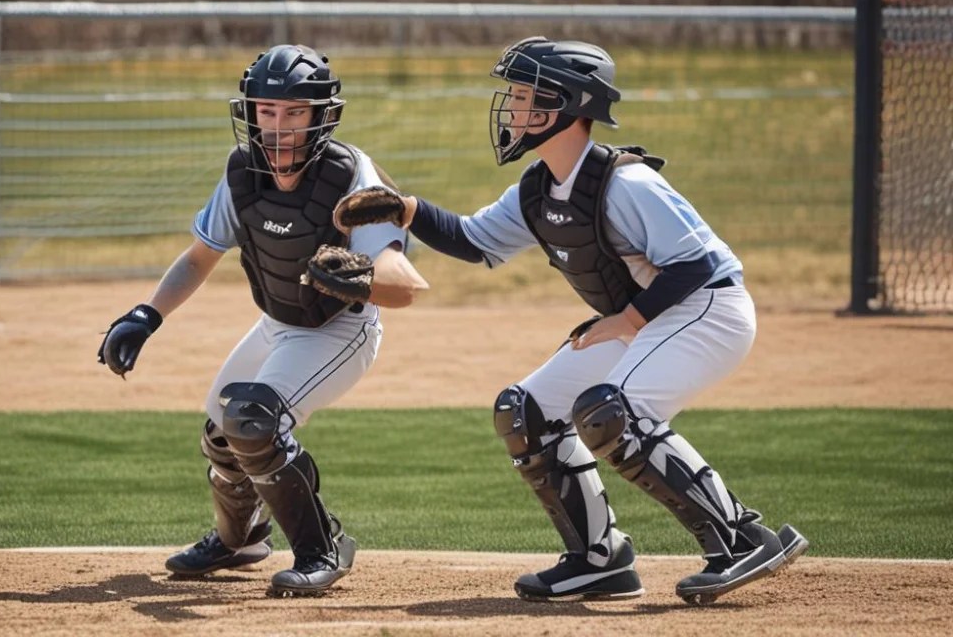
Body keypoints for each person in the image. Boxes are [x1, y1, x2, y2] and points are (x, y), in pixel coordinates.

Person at [333, 36, 808, 605]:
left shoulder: (626, 182)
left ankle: (741, 538)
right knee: (525, 412)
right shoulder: (536, 190)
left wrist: (625, 318)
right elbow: (473, 241)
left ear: (567, 106)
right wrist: (403, 209)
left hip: (709, 310)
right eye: (513, 95)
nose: (511, 108)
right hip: (650, 318)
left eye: (525, 95)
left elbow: (697, 264)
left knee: (613, 411)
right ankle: (599, 560)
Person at [98, 44, 428, 598]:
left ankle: (323, 548)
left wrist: (362, 278)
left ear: (323, 116)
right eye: (265, 112)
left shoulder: (350, 174)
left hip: (340, 330)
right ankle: (243, 537)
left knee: (254, 420)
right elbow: (200, 256)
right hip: (277, 322)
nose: (277, 127)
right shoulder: (243, 175)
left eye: (294, 112)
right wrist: (146, 314)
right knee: (223, 433)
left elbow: (403, 284)